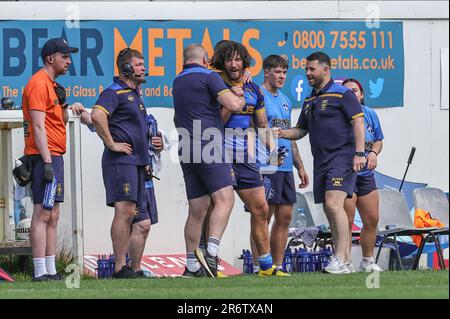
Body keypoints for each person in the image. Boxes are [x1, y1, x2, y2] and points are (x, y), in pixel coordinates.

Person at [277, 52, 366, 274]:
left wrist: (360, 153)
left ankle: (341, 258)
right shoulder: (309, 100)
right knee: (329, 208)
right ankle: (343, 261)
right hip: (321, 162)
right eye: (306, 69)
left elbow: (358, 123)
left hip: (342, 158)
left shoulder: (344, 94)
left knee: (335, 205)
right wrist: (281, 133)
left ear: (326, 70)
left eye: (312, 69)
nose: (307, 73)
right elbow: (301, 130)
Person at [209, 41, 290, 276]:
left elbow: (262, 124)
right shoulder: (215, 85)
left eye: (238, 60)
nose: (234, 64)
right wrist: (233, 100)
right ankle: (209, 264)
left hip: (245, 155)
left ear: (245, 62)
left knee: (261, 208)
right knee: (214, 207)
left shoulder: (254, 90)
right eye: (229, 60)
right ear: (222, 62)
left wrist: (273, 150)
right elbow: (215, 123)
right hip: (218, 153)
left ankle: (265, 266)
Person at [172, 44, 245, 278]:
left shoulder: (177, 81)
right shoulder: (209, 76)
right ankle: (211, 254)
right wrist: (239, 94)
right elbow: (233, 105)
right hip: (209, 143)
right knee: (225, 198)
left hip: (185, 146)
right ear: (205, 60)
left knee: (196, 209)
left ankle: (192, 266)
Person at [21, 38, 90, 281]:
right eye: (65, 56)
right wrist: (47, 162)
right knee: (42, 213)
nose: (70, 61)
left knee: (53, 213)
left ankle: (50, 270)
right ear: (51, 58)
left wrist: (65, 106)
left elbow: (55, 121)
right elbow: (38, 127)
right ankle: (40, 271)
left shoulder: (52, 86)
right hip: (43, 157)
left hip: (53, 155)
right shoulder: (39, 84)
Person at [91, 48, 150, 279]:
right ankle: (119, 268)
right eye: (138, 64)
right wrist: (112, 143)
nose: (143, 68)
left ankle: (131, 268)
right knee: (124, 212)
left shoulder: (135, 94)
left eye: (143, 64)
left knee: (137, 217)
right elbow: (97, 115)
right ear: (126, 68)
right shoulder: (114, 92)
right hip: (121, 162)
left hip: (136, 163)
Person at [250, 55, 309, 273]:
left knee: (284, 217)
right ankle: (258, 266)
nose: (282, 76)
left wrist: (300, 165)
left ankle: (277, 266)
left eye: (284, 72)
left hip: (284, 165)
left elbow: (289, 134)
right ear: (266, 72)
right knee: (263, 216)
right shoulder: (257, 94)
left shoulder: (285, 100)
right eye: (277, 71)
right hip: (266, 163)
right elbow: (253, 130)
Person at [342, 78, 384, 272]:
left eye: (355, 91)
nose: (352, 94)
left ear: (362, 94)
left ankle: (367, 261)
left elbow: (378, 140)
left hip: (366, 174)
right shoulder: (339, 115)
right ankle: (346, 261)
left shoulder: (370, 114)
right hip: (347, 173)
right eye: (347, 92)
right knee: (347, 221)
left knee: (372, 219)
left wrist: (374, 153)